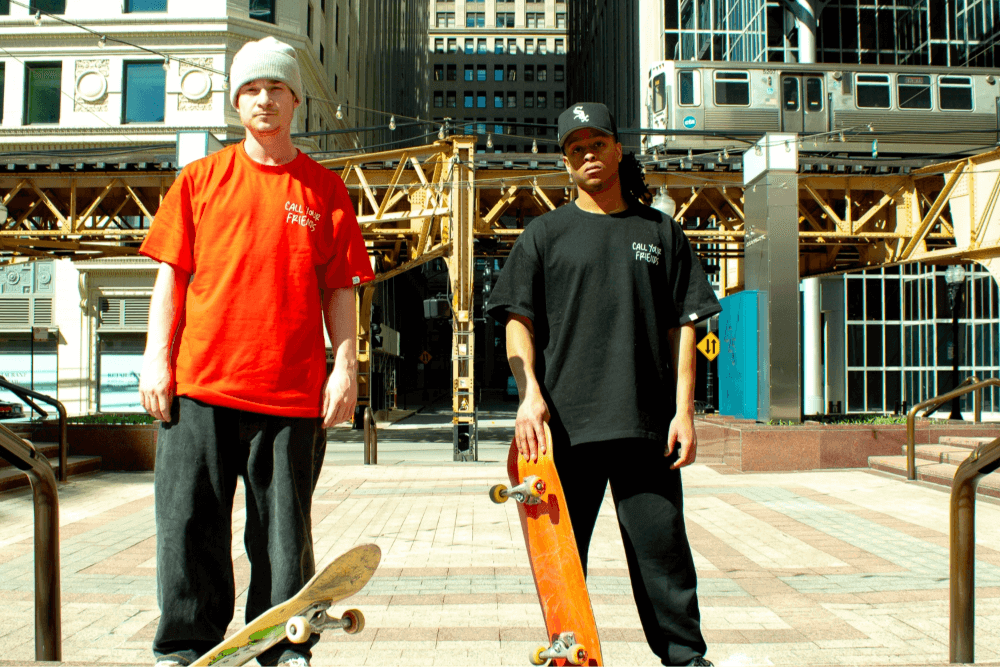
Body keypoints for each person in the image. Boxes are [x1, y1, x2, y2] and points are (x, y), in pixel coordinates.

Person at [138, 37, 374, 667]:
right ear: (235, 101)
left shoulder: (324, 189)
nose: (263, 99)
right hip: (200, 386)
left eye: (276, 88)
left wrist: (344, 367)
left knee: (282, 535)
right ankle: (185, 645)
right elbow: (170, 276)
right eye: (250, 89)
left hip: (291, 391)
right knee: (189, 526)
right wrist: (156, 358)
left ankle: (282, 643)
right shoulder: (199, 181)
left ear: (296, 99)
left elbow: (340, 289)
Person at [485, 102, 720, 667]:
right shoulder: (545, 234)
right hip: (564, 429)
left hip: (646, 426)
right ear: (566, 164)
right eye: (575, 149)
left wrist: (684, 412)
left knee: (663, 555)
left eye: (597, 144)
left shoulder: (660, 232)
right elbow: (518, 321)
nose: (587, 155)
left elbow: (682, 328)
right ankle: (570, 657)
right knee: (563, 558)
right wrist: (530, 394)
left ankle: (685, 658)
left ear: (618, 149)